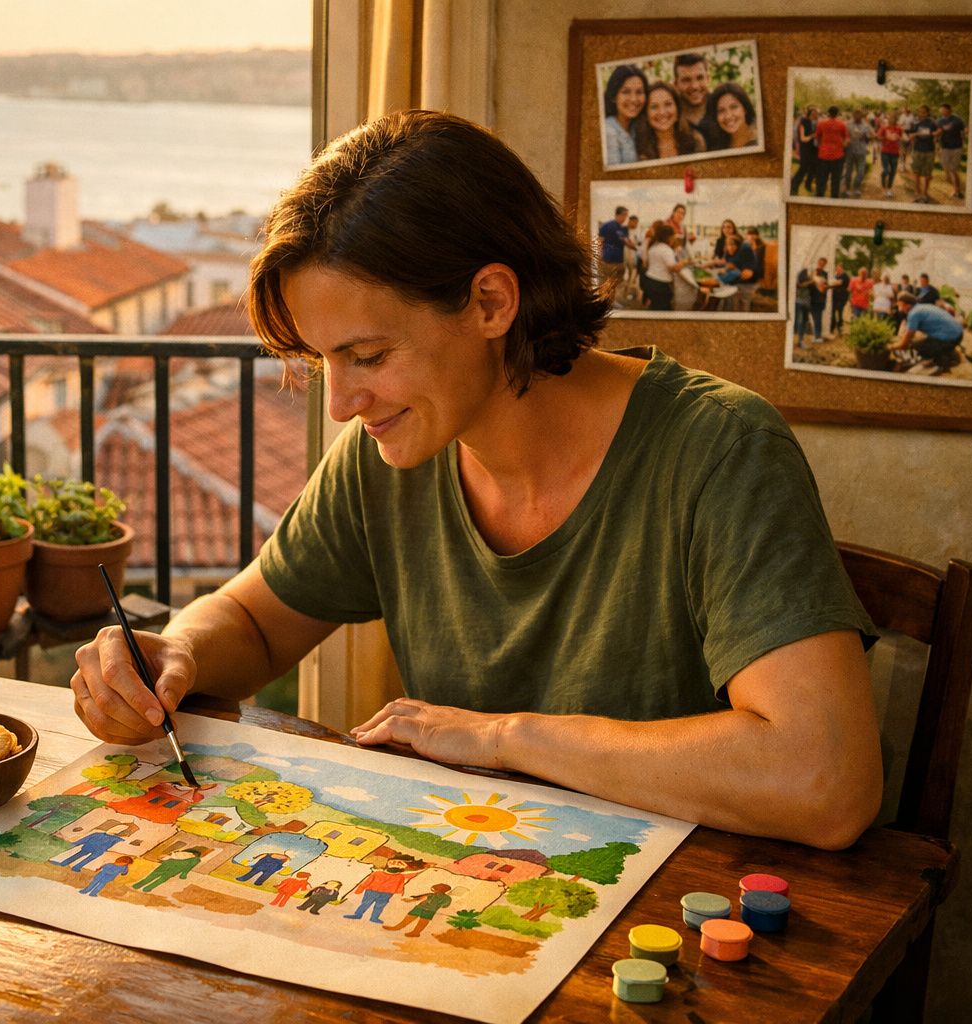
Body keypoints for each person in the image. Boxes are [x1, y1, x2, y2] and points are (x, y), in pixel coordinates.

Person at [71, 110, 881, 851]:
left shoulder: (720, 449)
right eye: (325, 363)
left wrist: (503, 737)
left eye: (368, 356)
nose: (344, 406)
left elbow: (823, 781)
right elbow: (253, 621)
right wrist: (175, 649)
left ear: (492, 301)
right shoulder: (395, 454)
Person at [889, 291, 965, 371]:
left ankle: (942, 360)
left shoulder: (914, 314)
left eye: (900, 304)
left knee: (917, 346)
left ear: (907, 305)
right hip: (958, 334)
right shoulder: (923, 306)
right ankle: (948, 352)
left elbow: (904, 343)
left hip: (951, 338)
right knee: (924, 341)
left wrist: (890, 347)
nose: (899, 307)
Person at [632, 82, 706, 161]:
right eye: (654, 107)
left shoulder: (695, 141)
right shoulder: (637, 149)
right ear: (646, 114)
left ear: (678, 108)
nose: (662, 112)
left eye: (668, 104)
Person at [602, 65, 648, 166]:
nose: (634, 99)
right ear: (614, 96)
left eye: (639, 92)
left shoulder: (636, 127)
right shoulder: (609, 131)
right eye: (626, 92)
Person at [382, 884, 454, 938]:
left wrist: (409, 901)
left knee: (413, 919)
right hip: (429, 910)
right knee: (422, 921)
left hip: (422, 908)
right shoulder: (447, 898)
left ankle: (400, 928)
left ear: (438, 889)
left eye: (435, 889)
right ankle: (415, 932)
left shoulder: (433, 895)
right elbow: (445, 906)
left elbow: (419, 899)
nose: (434, 890)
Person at [705, 82, 757, 150]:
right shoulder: (717, 144)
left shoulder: (759, 141)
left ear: (745, 108)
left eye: (733, 107)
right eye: (721, 110)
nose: (728, 116)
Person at [640, 222, 680, 311]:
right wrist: (685, 262)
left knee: (655, 306)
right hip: (661, 285)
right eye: (674, 237)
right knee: (662, 309)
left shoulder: (654, 247)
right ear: (669, 237)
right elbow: (673, 268)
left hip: (649, 281)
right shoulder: (666, 250)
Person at [672, 52, 712, 136]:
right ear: (676, 84)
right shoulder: (669, 118)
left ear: (708, 79)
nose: (694, 86)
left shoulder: (722, 109)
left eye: (700, 78)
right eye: (686, 80)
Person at [813, 106, 849, 199]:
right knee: (835, 180)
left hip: (823, 155)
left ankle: (819, 198)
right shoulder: (842, 124)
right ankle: (834, 199)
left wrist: (822, 146)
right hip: (837, 156)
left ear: (828, 113)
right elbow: (846, 139)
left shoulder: (821, 124)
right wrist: (842, 146)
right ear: (837, 114)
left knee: (822, 179)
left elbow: (817, 137)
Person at [130, 847, 204, 892]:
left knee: (156, 877)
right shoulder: (192, 858)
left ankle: (142, 887)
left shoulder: (191, 858)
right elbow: (187, 868)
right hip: (170, 868)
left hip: (169, 867)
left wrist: (183, 874)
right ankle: (143, 887)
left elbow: (188, 867)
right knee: (157, 878)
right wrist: (183, 874)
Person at [597, 206, 630, 302]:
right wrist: (599, 256)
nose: (625, 218)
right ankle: (603, 302)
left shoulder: (623, 229)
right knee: (605, 283)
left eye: (626, 215)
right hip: (607, 260)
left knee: (618, 283)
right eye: (624, 215)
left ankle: (614, 302)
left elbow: (627, 242)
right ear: (618, 214)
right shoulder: (607, 226)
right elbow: (600, 241)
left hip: (619, 260)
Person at [935, 103, 966, 201]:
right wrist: (934, 138)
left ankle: (957, 191)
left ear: (949, 110)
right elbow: (938, 132)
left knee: (953, 169)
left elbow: (964, 130)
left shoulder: (957, 120)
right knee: (946, 167)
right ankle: (953, 182)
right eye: (941, 110)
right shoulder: (940, 120)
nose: (942, 111)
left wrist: (963, 140)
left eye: (943, 110)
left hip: (956, 147)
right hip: (945, 147)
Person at [841, 108, 873, 199]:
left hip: (861, 150)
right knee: (848, 171)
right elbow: (842, 135)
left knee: (861, 172)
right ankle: (847, 189)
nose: (857, 117)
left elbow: (870, 136)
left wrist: (867, 136)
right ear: (853, 115)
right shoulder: (847, 124)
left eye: (859, 115)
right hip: (849, 150)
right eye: (855, 115)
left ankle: (856, 187)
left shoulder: (866, 125)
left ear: (862, 116)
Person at [909, 104, 938, 203]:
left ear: (927, 113)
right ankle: (918, 193)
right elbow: (910, 136)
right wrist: (916, 134)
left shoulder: (932, 123)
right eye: (920, 111)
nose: (921, 114)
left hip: (929, 151)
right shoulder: (915, 123)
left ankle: (925, 194)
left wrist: (935, 134)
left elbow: (938, 132)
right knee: (916, 173)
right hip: (917, 150)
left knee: (927, 174)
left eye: (923, 112)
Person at [791, 105, 820, 195]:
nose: (815, 115)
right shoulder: (804, 122)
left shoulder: (815, 122)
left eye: (816, 113)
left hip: (813, 149)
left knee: (813, 167)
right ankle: (794, 187)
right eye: (813, 113)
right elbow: (803, 138)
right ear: (809, 114)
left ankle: (807, 185)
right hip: (805, 148)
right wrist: (812, 136)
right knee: (803, 168)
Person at [875, 111, 903, 198]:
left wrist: (899, 138)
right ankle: (884, 188)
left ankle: (889, 188)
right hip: (885, 152)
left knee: (893, 172)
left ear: (896, 119)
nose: (892, 119)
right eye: (890, 118)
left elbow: (901, 139)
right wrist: (885, 137)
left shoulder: (899, 129)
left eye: (894, 118)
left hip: (895, 153)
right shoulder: (884, 128)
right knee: (886, 170)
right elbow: (878, 136)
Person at [828, 263, 850, 337]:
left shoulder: (845, 276)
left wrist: (831, 283)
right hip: (835, 297)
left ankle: (840, 329)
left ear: (841, 268)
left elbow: (839, 283)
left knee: (840, 313)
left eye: (838, 268)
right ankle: (832, 327)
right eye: (836, 268)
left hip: (842, 297)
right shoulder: (836, 275)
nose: (837, 269)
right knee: (833, 312)